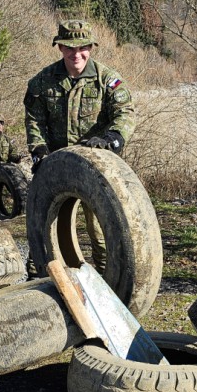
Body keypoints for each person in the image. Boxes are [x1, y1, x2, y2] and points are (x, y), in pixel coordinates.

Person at [23, 19, 136, 273]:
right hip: (55, 167)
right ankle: (40, 280)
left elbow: (125, 113)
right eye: (70, 48)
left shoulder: (107, 80)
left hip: (95, 167)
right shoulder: (42, 82)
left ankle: (111, 286)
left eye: (83, 48)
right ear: (60, 47)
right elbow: (34, 119)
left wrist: (112, 139)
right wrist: (38, 148)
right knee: (45, 229)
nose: (77, 54)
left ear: (91, 48)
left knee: (100, 231)